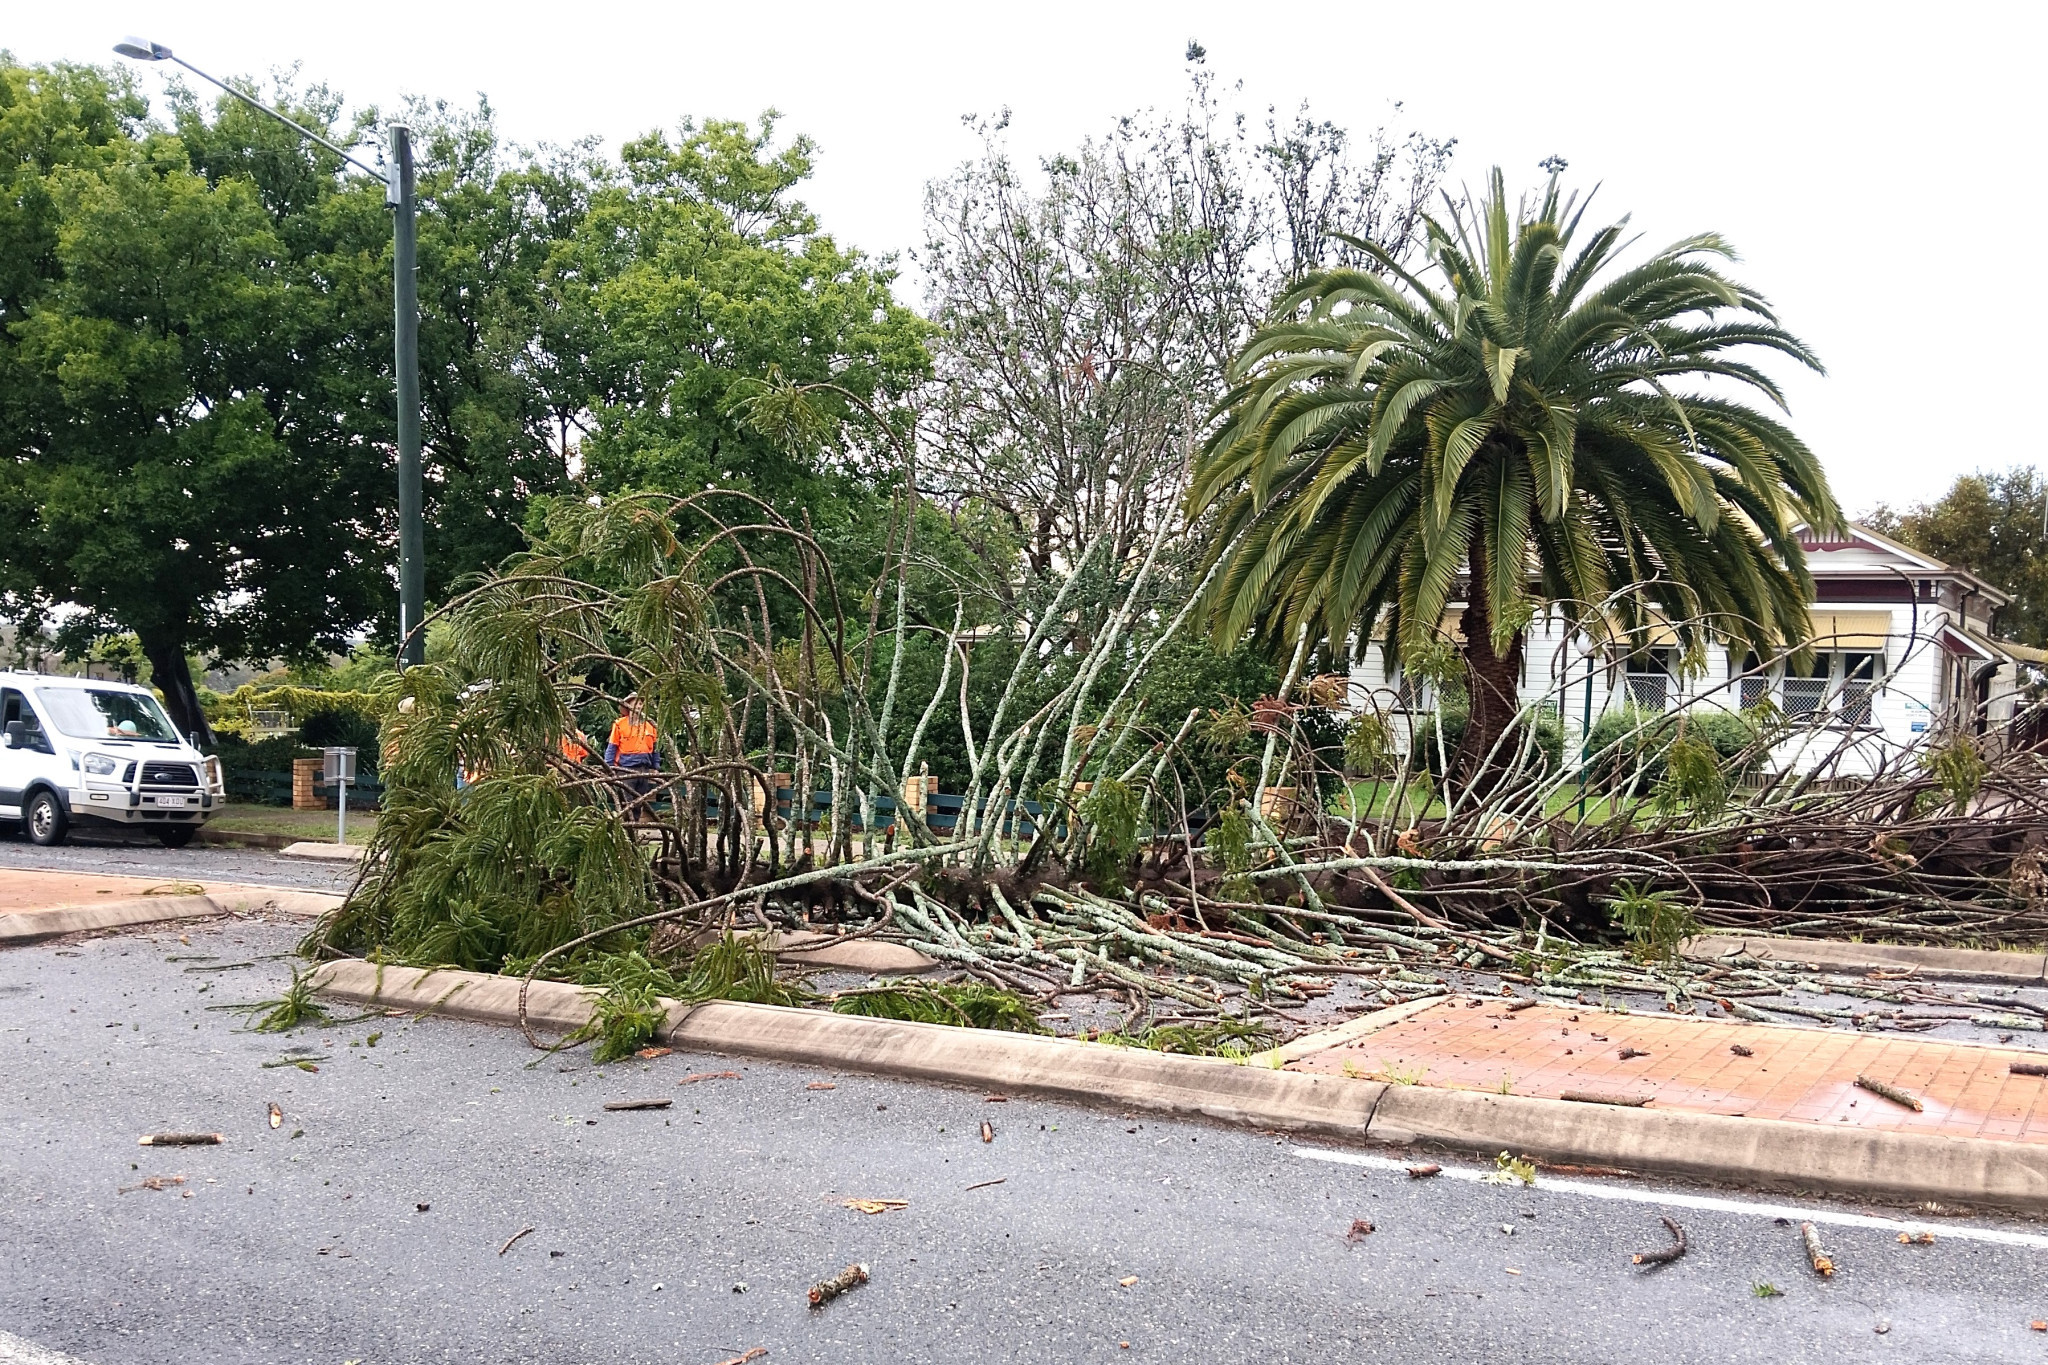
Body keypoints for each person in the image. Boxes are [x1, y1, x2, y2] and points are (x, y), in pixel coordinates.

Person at [604, 694, 659, 814]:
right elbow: (612, 747)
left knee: (640, 801)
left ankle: (635, 828)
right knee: (626, 801)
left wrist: (655, 768)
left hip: (644, 769)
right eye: (635, 703)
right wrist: (609, 768)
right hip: (625, 769)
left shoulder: (650, 725)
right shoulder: (620, 725)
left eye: (640, 703)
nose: (638, 706)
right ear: (628, 706)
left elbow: (655, 749)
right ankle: (627, 828)